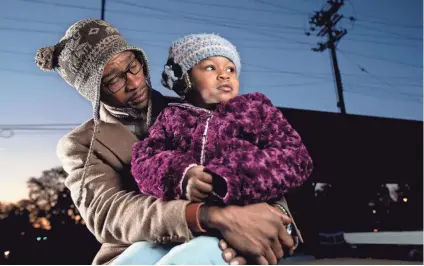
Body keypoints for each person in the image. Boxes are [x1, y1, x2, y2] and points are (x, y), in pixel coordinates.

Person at [35, 19, 301, 265]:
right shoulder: (81, 144)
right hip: (137, 250)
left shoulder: (194, 108)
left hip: (224, 243)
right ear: (93, 92)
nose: (134, 82)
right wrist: (212, 217)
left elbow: (260, 159)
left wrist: (269, 218)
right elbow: (109, 213)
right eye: (113, 80)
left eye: (132, 65)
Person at [131, 33, 313, 208]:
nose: (224, 75)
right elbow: (145, 159)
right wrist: (183, 175)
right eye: (210, 67)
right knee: (142, 243)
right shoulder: (171, 117)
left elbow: (295, 157)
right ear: (185, 78)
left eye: (230, 69)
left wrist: (227, 176)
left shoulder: (254, 109)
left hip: (247, 216)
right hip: (188, 220)